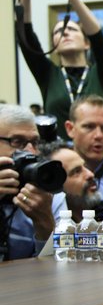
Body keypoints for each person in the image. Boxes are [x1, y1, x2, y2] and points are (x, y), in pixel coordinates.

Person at [16, 0, 103, 139]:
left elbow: (98, 39)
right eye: (58, 31)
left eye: (72, 29)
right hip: (58, 156)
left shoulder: (102, 73)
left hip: (97, 154)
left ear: (86, 44)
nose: (65, 33)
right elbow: (24, 34)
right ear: (54, 43)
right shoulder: (48, 74)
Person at [0, 105, 54, 260]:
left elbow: (60, 264)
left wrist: (45, 221)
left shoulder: (48, 191)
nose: (30, 151)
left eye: (35, 142)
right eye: (17, 141)